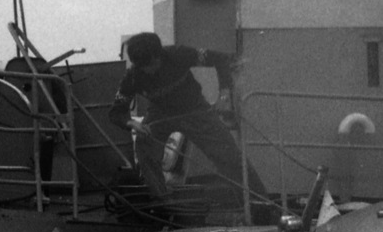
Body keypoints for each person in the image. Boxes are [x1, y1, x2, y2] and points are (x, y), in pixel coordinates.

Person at [108, 32, 267, 209]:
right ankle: (162, 202)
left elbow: (221, 59)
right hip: (161, 114)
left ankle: (260, 201)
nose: (148, 71)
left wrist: (224, 93)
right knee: (144, 147)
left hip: (194, 109)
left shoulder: (178, 54)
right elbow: (116, 112)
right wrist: (131, 123)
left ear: (159, 54)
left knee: (228, 154)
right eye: (142, 67)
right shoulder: (133, 76)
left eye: (151, 64)